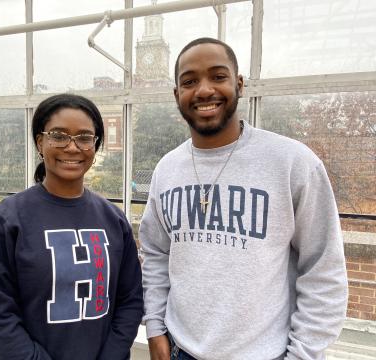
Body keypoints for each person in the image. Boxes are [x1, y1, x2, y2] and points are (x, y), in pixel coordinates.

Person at [140, 37, 348, 360]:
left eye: (218, 76)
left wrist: (302, 354)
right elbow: (155, 253)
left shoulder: (293, 163)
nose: (204, 90)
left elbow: (323, 270)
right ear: (176, 94)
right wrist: (154, 327)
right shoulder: (166, 170)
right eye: (190, 81)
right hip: (179, 350)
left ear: (239, 84)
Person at [0, 94, 143, 360]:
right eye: (59, 135)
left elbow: (130, 301)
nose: (72, 147)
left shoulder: (114, 219)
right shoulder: (7, 221)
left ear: (95, 145)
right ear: (40, 142)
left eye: (84, 137)